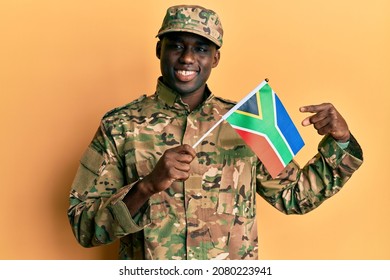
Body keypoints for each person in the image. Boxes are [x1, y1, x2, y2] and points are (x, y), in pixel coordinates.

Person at [67, 4, 363, 260]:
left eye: (201, 48)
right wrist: (146, 186)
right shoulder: (120, 126)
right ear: (160, 50)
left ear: (215, 58)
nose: (187, 58)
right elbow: (83, 226)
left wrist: (341, 141)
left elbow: (295, 196)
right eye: (177, 45)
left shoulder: (248, 121)